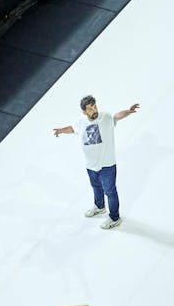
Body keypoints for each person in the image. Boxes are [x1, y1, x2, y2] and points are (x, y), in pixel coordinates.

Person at [53, 95, 140, 229]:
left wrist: (128, 111)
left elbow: (117, 116)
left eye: (94, 106)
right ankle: (99, 207)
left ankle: (114, 218)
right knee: (96, 187)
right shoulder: (81, 121)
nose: (94, 110)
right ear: (84, 111)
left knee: (110, 192)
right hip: (91, 165)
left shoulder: (105, 117)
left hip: (107, 165)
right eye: (90, 109)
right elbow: (72, 128)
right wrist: (61, 130)